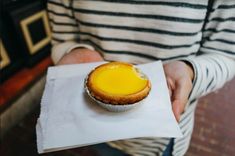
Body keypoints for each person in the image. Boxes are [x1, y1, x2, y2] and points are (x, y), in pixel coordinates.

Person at [47, 0, 235, 155]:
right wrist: (74, 51)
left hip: (161, 139)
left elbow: (226, 53)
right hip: (98, 131)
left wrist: (190, 71)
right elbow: (62, 38)